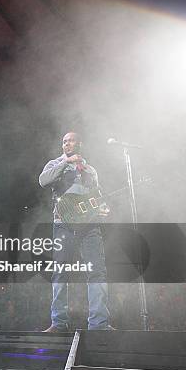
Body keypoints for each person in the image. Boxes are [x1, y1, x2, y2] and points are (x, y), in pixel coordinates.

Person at [39, 132, 113, 332]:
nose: (66, 144)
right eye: (63, 141)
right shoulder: (55, 164)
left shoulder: (90, 170)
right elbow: (43, 180)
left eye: (70, 141)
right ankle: (59, 323)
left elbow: (96, 195)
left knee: (97, 271)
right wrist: (66, 162)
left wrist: (103, 207)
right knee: (60, 272)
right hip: (63, 225)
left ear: (80, 143)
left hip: (89, 226)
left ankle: (99, 323)